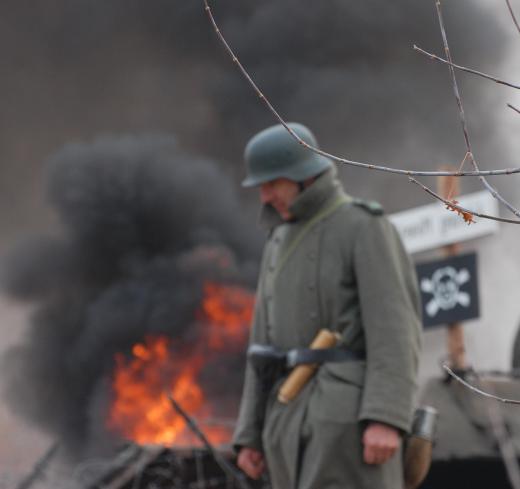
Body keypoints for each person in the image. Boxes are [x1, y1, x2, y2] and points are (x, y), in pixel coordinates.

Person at [233, 122, 422, 489]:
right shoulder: (277, 238)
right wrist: (250, 434)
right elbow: (261, 350)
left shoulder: (362, 226)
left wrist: (385, 417)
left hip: (348, 426)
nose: (265, 196)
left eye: (272, 183)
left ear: (303, 176)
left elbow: (395, 331)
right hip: (287, 424)